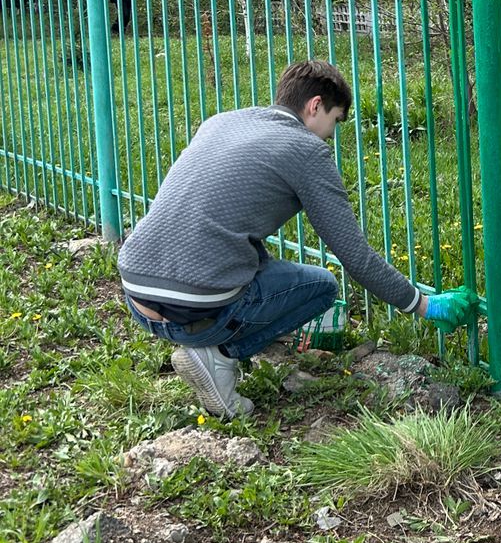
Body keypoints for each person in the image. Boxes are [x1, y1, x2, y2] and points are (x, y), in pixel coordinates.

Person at [118, 59, 474, 420]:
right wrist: (422, 304)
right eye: (334, 121)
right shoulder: (306, 150)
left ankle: (211, 341)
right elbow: (355, 255)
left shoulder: (222, 121)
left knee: (261, 262)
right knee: (321, 286)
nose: (331, 137)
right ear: (315, 105)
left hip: (136, 291)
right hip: (194, 305)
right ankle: (218, 356)